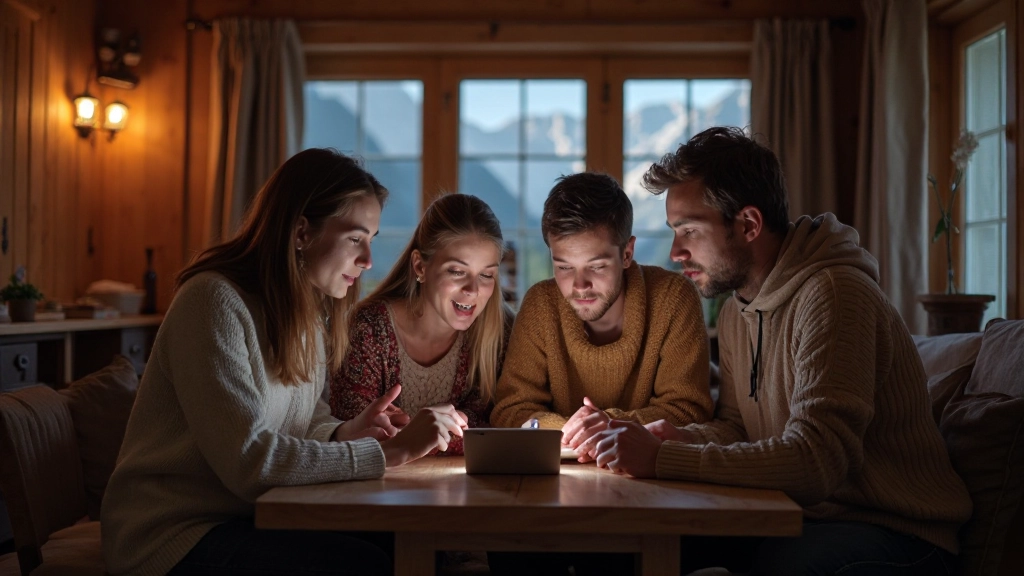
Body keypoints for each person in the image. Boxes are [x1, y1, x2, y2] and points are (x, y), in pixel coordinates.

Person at [585, 127, 973, 575]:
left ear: (748, 224)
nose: (675, 252)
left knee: (779, 565)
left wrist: (664, 460)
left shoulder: (835, 294)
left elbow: (817, 460)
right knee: (621, 547)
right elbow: (737, 427)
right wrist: (671, 437)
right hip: (800, 516)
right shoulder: (736, 311)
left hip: (895, 531)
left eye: (689, 230)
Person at [101, 149, 466, 576]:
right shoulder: (211, 303)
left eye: (372, 240)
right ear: (300, 232)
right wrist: (388, 452)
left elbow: (305, 420)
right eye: (355, 238)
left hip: (252, 515)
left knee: (425, 548)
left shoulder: (307, 313)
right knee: (362, 565)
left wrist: (345, 433)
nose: (367, 260)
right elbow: (248, 462)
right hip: (174, 535)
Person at [490, 172, 713, 451]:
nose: (579, 285)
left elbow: (689, 412)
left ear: (627, 254)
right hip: (560, 475)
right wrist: (579, 431)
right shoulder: (541, 305)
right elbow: (510, 411)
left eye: (596, 266)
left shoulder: (673, 298)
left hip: (651, 477)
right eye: (564, 267)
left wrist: (605, 424)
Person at [329, 193, 513, 455]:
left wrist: (410, 433)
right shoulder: (368, 328)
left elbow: (502, 429)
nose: (473, 289)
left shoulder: (499, 333)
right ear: (420, 267)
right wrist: (445, 432)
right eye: (457, 271)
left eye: (486, 275)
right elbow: (356, 435)